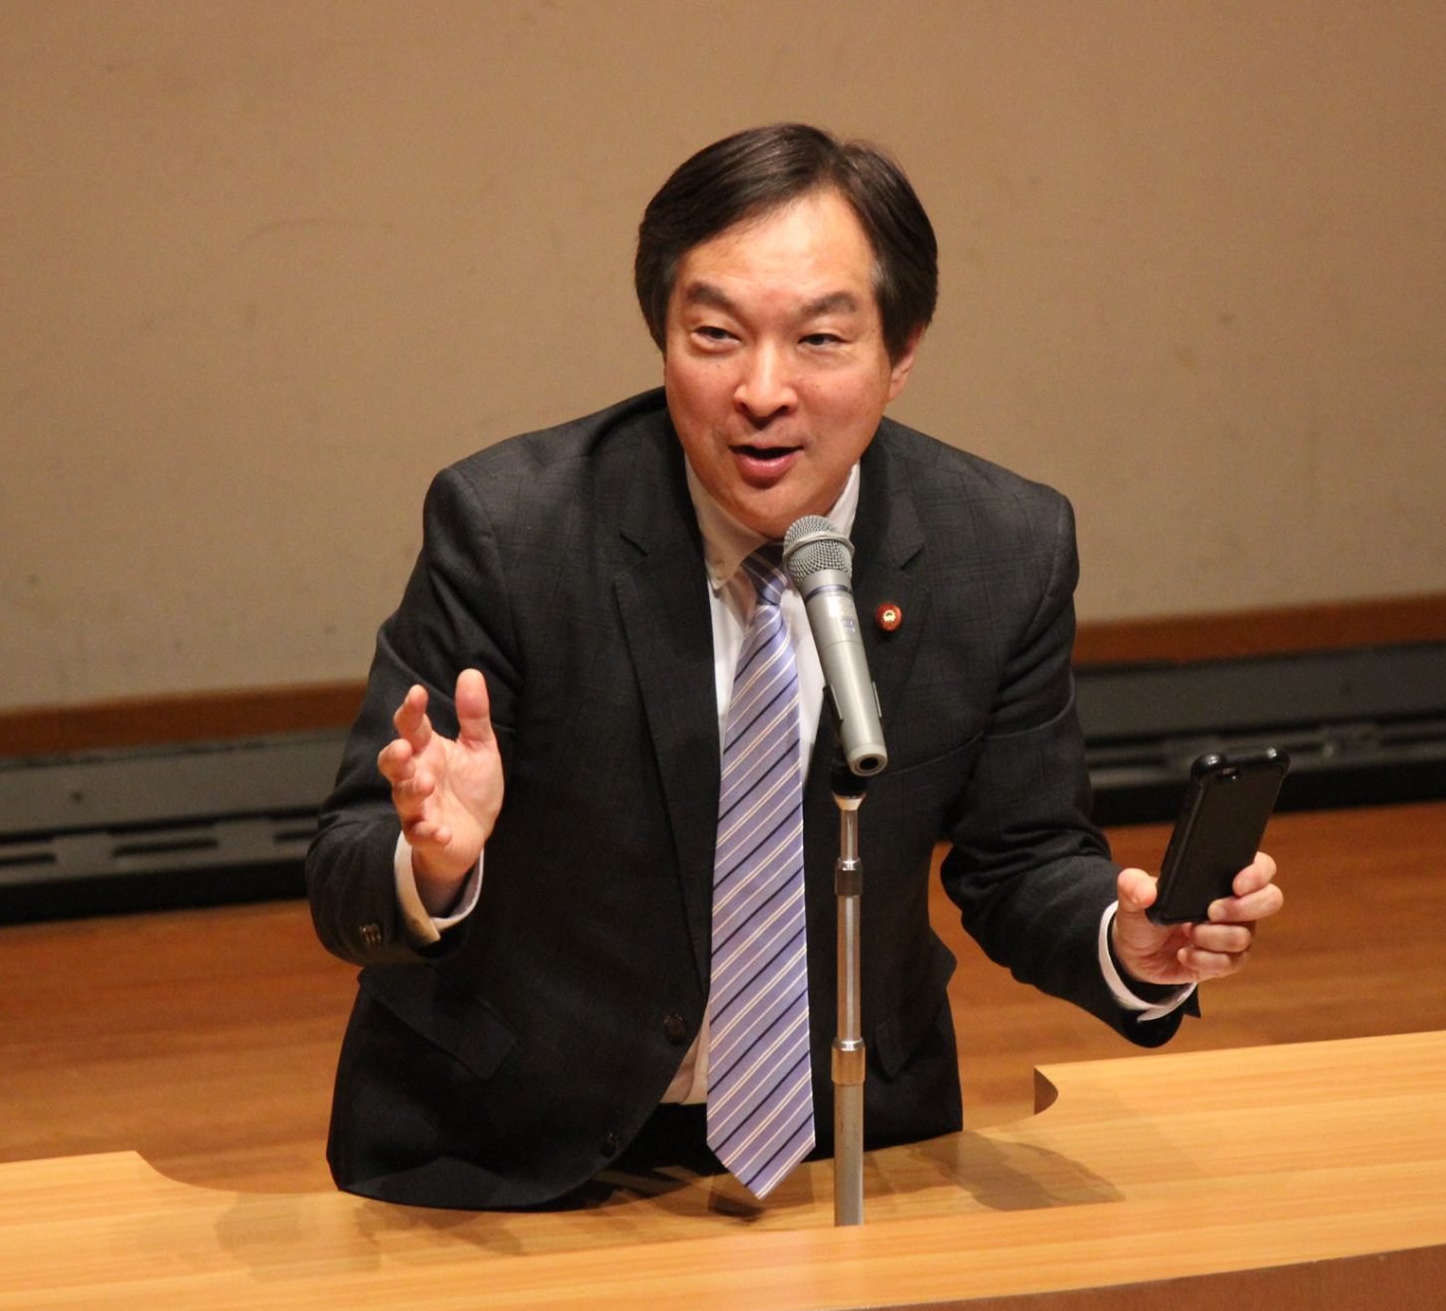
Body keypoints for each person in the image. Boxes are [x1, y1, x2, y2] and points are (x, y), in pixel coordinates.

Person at [306, 123, 1283, 1211]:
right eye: (715, 335)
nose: (761, 390)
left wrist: (1129, 942)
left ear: (901, 353)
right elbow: (347, 868)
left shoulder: (1001, 549)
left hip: (849, 1145)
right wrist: (432, 866)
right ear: (661, 334)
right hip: (510, 1148)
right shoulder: (512, 530)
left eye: (819, 339)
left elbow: (1023, 857)